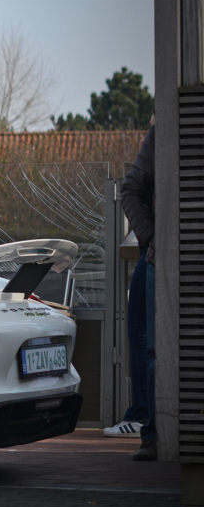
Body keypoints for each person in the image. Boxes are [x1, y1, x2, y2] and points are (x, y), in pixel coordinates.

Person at [115, 121, 156, 461]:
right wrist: (152, 238)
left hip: (152, 249)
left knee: (143, 334)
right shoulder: (162, 133)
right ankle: (144, 419)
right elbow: (130, 190)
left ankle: (143, 416)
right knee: (143, 334)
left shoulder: (160, 132)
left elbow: (131, 189)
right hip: (154, 250)